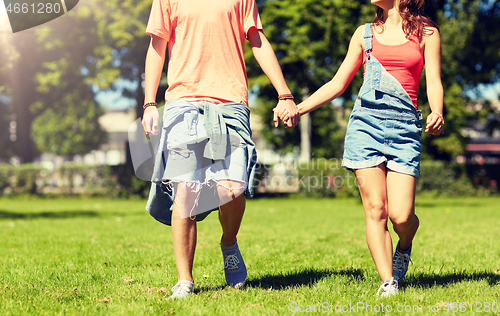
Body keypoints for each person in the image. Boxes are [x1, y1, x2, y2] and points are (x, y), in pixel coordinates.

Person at [280, 0, 444, 296]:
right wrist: (298, 109)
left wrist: (437, 110)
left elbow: (433, 79)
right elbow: (338, 83)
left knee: (402, 216)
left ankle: (404, 246)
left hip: (405, 128)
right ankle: (388, 281)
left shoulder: (427, 34)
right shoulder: (364, 34)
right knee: (375, 208)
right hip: (365, 127)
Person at [141, 0, 300, 299]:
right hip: (183, 102)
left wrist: (285, 93)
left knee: (232, 188)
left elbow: (258, 40)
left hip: (230, 102)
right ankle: (184, 280)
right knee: (185, 188)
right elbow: (157, 46)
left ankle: (229, 242)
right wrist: (150, 102)